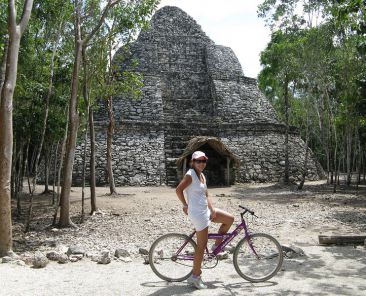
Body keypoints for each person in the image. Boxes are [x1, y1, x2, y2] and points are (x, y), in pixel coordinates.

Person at [175, 151, 234, 289]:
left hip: (205, 210)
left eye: (203, 161)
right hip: (197, 213)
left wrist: (212, 209)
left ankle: (216, 246)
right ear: (192, 162)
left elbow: (206, 194)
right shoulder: (190, 175)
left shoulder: (201, 175)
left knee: (229, 219)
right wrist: (185, 205)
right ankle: (195, 277)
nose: (201, 163)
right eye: (198, 161)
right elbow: (178, 190)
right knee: (201, 246)